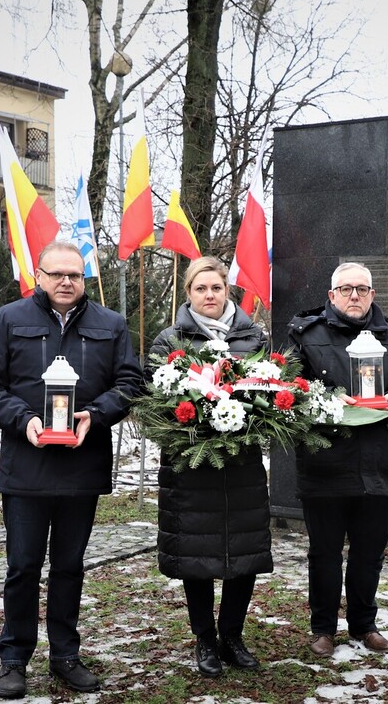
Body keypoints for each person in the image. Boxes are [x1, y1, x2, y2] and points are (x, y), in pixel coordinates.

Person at [0, 241, 142, 699]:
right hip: (27, 466)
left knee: (69, 567)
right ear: (39, 276)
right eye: (57, 274)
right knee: (23, 566)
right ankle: (13, 658)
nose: (67, 282)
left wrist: (97, 414)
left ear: (83, 280)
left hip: (81, 466)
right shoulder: (8, 319)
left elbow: (130, 382)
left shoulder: (111, 324)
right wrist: (22, 419)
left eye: (75, 275)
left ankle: (65, 655)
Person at [287, 261, 388, 658]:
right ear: (331, 295)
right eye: (346, 289)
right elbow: (288, 387)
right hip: (325, 461)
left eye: (363, 289)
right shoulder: (304, 336)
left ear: (373, 295)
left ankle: (364, 625)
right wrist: (327, 401)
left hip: (379, 460)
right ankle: (323, 629)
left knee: (370, 552)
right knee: (325, 553)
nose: (355, 295)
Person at [148, 256, 272, 678]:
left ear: (227, 290)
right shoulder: (170, 340)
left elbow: (271, 391)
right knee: (195, 555)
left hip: (241, 465)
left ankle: (232, 636)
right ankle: (204, 639)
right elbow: (154, 402)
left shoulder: (253, 337)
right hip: (190, 467)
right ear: (188, 294)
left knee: (245, 552)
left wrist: (250, 421)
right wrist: (193, 426)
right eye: (200, 289)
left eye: (216, 288)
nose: (209, 296)